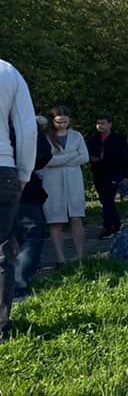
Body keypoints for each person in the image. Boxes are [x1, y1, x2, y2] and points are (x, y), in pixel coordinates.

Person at [1, 60, 37, 342]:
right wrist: (24, 170)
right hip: (3, 166)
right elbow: (27, 128)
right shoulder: (8, 70)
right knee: (2, 250)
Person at [41, 106, 89, 267]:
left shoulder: (77, 136)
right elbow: (47, 161)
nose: (62, 125)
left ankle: (81, 257)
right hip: (52, 183)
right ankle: (61, 260)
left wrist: (60, 159)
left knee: (76, 217)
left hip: (74, 181)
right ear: (52, 121)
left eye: (65, 122)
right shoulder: (46, 137)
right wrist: (71, 155)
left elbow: (84, 157)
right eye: (58, 122)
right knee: (55, 221)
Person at [13, 116, 52, 295]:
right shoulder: (25, 121)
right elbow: (44, 153)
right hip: (23, 182)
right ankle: (19, 284)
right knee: (31, 234)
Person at [85, 113, 128, 239]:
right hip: (98, 172)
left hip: (114, 173)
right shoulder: (93, 139)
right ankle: (116, 223)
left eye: (103, 123)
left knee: (108, 200)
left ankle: (108, 228)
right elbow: (86, 153)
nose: (101, 126)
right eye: (98, 123)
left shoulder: (118, 139)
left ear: (110, 124)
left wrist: (126, 175)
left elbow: (126, 158)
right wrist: (91, 158)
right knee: (105, 200)